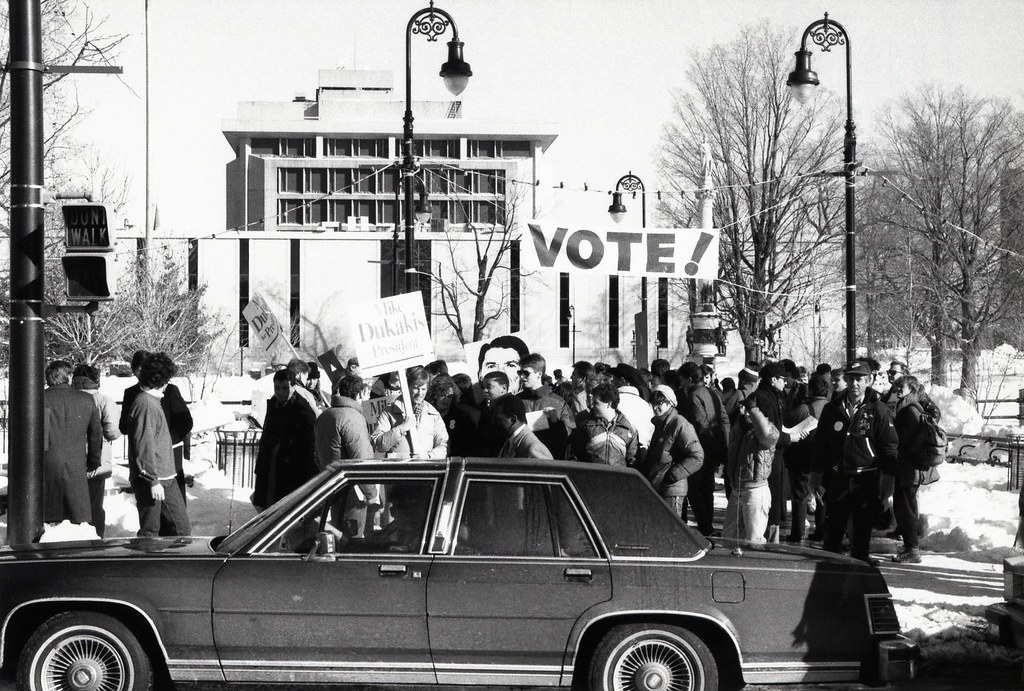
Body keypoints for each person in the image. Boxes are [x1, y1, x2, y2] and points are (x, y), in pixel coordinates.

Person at [815, 360, 898, 566]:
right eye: (850, 378)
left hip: (865, 480)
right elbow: (820, 445)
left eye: (859, 379)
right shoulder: (832, 408)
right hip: (838, 478)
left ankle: (859, 573)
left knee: (861, 533)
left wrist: (888, 481)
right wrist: (815, 475)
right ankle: (829, 576)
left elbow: (889, 447)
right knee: (833, 532)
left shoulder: (878, 410)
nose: (854, 384)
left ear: (868, 381)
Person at [125, 352, 191, 537]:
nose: (168, 384)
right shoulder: (146, 404)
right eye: (167, 379)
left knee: (180, 529)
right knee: (152, 531)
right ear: (160, 379)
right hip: (153, 479)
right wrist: (153, 481)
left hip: (164, 477)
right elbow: (143, 446)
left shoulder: (150, 401)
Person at [43, 360, 103, 527]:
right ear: (68, 377)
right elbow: (95, 435)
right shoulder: (87, 399)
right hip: (76, 465)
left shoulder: (40, 399)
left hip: (47, 466)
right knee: (78, 521)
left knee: (50, 519)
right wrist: (93, 462)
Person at [890, 375, 941, 564]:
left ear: (912, 387)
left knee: (905, 508)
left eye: (901, 386)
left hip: (908, 467)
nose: (897, 389)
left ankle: (912, 549)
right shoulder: (910, 406)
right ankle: (909, 546)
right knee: (905, 506)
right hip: (909, 466)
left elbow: (906, 439)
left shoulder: (910, 410)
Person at [252, 369, 318, 511]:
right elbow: (266, 438)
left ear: (293, 387)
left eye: (285, 388)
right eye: (277, 388)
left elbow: (309, 444)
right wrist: (260, 469)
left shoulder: (303, 410)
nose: (280, 392)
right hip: (271, 468)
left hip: (292, 473)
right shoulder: (273, 405)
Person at [678, 362, 729, 536]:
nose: (681, 384)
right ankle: (708, 524)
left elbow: (701, 424)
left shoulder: (693, 396)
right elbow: (723, 420)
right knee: (707, 488)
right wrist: (722, 445)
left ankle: (705, 525)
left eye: (683, 380)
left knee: (694, 489)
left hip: (701, 447)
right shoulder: (712, 393)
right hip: (713, 447)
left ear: (690, 379)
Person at [637, 385, 704, 518]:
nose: (655, 407)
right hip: (658, 486)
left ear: (669, 404)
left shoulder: (679, 423)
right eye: (653, 404)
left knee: (671, 530)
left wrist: (672, 476)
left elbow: (697, 456)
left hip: (672, 490)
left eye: (659, 404)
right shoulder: (659, 424)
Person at [72, 364, 121, 537]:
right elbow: (112, 432)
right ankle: (96, 538)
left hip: (72, 461)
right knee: (94, 503)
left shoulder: (70, 398)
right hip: (97, 461)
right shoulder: (104, 401)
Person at [723, 394, 778, 543]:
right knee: (729, 539)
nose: (747, 413)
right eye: (745, 409)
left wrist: (754, 411)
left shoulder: (770, 430)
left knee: (754, 540)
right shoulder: (740, 426)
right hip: (737, 490)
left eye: (751, 410)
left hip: (756, 491)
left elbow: (766, 435)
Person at [784, 373, 828, 543]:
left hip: (802, 457)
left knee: (800, 495)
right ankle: (821, 530)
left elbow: (788, 428)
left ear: (810, 390)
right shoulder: (832, 407)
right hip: (823, 457)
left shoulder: (803, 409)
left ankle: (798, 531)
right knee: (821, 494)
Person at [373, 366, 449, 459]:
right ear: (407, 387)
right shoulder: (389, 411)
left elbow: (443, 445)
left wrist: (428, 457)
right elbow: (378, 445)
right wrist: (401, 429)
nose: (419, 393)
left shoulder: (433, 414)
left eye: (423, 389)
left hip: (425, 469)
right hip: (399, 469)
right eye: (416, 388)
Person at [517, 353, 575, 459]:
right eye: (520, 372)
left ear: (539, 374)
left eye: (525, 373)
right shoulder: (516, 401)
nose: (522, 377)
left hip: (549, 461)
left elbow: (570, 435)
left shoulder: (558, 402)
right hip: (521, 461)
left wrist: (556, 423)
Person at [569, 381, 638, 467]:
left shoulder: (629, 429)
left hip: (618, 478)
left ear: (608, 404)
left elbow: (633, 463)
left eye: (596, 403)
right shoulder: (585, 427)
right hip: (591, 477)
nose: (591, 406)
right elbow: (575, 458)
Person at [315, 373, 373, 467]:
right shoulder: (353, 418)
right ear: (360, 393)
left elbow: (317, 456)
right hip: (348, 477)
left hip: (328, 477)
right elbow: (363, 459)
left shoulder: (323, 416)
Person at [426, 374, 481, 457]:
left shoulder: (462, 417)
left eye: (450, 396)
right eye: (442, 395)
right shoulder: (426, 415)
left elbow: (469, 445)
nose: (446, 399)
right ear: (434, 395)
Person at [493, 394, 553, 459]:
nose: (496, 423)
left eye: (499, 420)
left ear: (513, 419)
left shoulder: (533, 448)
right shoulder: (511, 440)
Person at [475, 371, 510, 457]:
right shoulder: (485, 409)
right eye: (483, 387)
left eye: (489, 387)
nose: (485, 391)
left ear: (503, 388)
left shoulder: (511, 408)